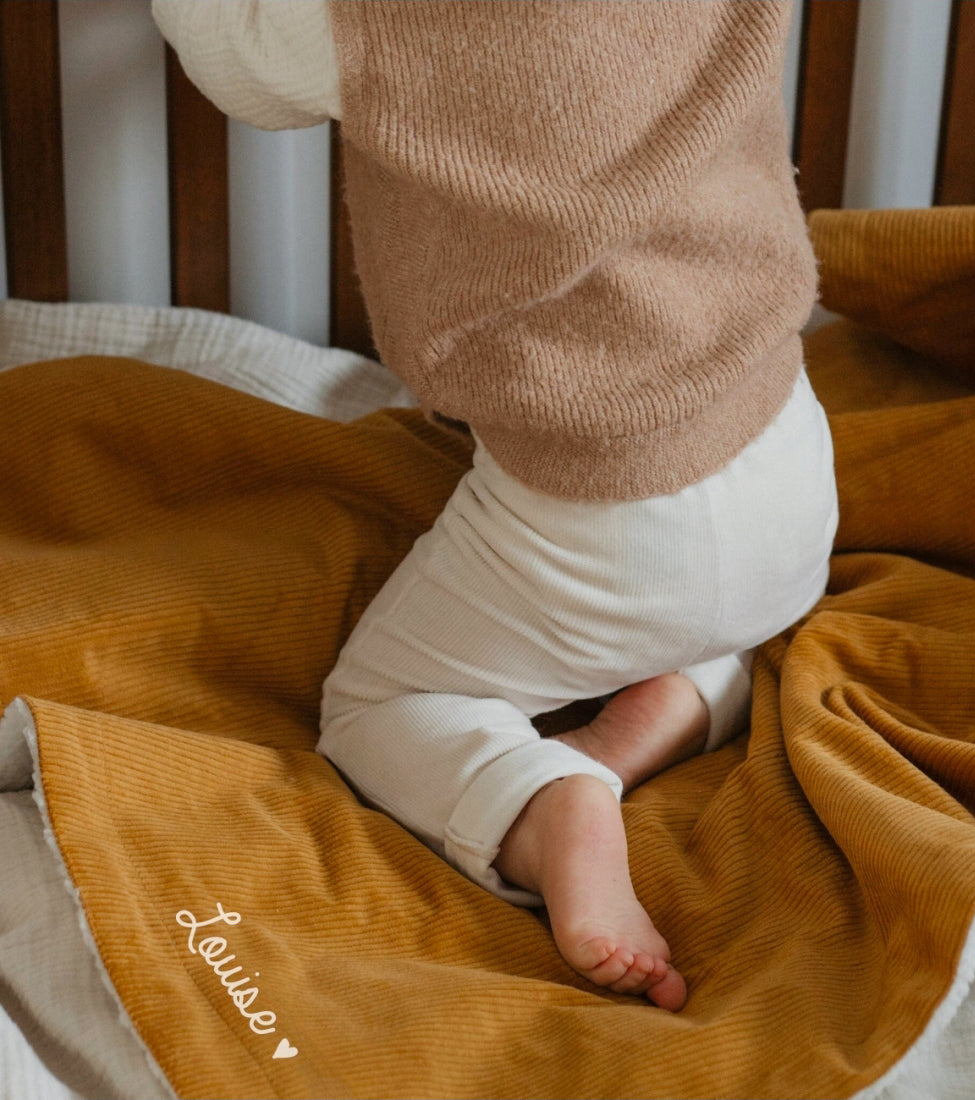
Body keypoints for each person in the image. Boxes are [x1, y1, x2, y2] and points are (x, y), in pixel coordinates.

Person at [154, 0, 837, 1013]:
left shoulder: (383, 19)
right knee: (726, 609)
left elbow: (231, 58)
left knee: (379, 708)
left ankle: (546, 799)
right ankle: (689, 692)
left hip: (607, 527)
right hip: (791, 467)